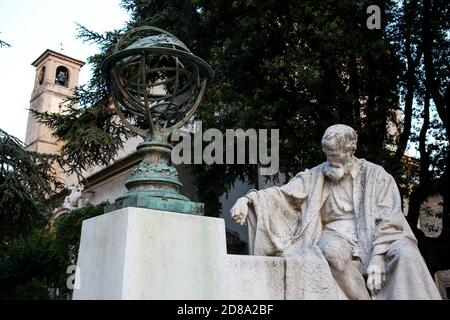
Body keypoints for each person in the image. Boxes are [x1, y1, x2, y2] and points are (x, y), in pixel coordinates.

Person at [230, 124, 441, 299]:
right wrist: (247, 200)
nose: (331, 160)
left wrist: (377, 257)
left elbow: (390, 218)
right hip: (335, 236)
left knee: (407, 253)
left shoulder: (377, 176)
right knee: (329, 250)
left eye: (336, 155)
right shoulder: (317, 176)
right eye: (328, 154)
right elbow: (283, 195)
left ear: (351, 150)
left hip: (378, 238)